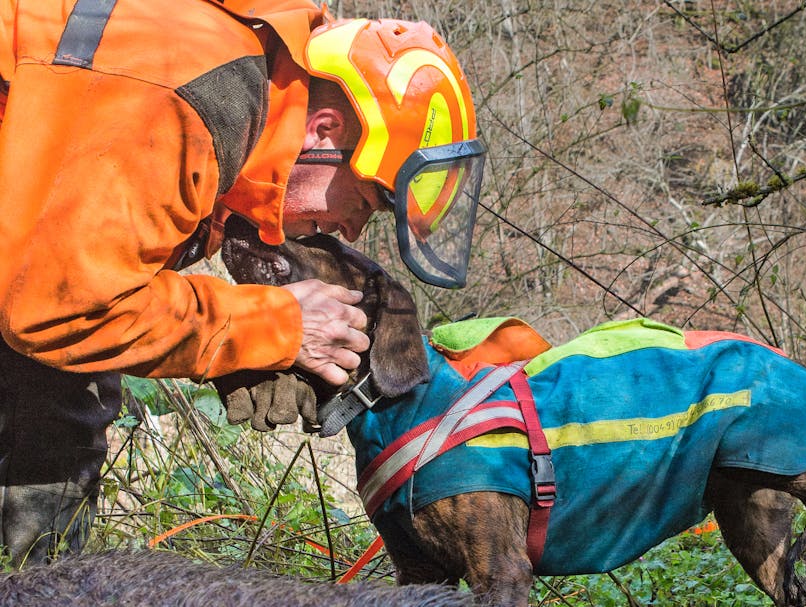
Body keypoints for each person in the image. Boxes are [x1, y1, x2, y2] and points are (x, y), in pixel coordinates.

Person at [0, 0, 484, 567]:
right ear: (325, 131)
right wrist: (272, 327)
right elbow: (60, 308)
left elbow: (82, 282)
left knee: (66, 403)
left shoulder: (242, 115)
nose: (350, 229)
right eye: (368, 201)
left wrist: (228, 349)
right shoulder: (187, 98)